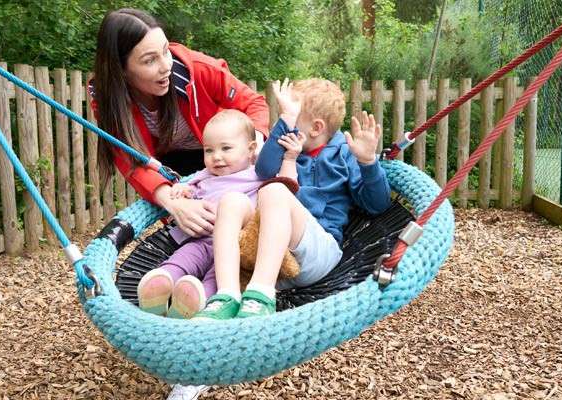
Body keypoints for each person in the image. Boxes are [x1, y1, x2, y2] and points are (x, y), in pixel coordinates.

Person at [194, 79, 392, 320]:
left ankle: (261, 294)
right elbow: (264, 169)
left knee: (275, 190)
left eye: (292, 118)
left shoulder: (344, 154)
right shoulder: (287, 146)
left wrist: (368, 162)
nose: (284, 125)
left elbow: (377, 205)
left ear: (316, 128)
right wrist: (286, 125)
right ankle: (227, 294)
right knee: (231, 201)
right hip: (269, 253)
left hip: (316, 254)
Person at [89, 8, 269, 239]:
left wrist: (256, 144)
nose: (166, 65)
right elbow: (129, 158)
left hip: (219, 151)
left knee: (239, 221)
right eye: (149, 60)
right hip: (167, 165)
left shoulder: (195, 69)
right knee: (195, 231)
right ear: (121, 71)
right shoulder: (107, 99)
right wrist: (171, 201)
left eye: (165, 51)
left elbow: (254, 103)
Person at [136, 110, 262, 319]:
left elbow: (282, 191)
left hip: (236, 245)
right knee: (183, 258)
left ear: (251, 150)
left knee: (221, 274)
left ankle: (198, 298)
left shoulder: (258, 175)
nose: (217, 157)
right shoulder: (204, 175)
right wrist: (182, 191)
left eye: (226, 148)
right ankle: (161, 284)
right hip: (202, 239)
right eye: (209, 150)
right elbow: (188, 188)